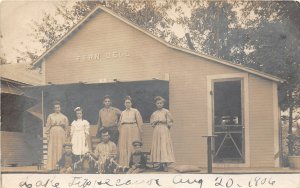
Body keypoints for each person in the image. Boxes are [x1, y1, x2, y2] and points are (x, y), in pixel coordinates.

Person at [150, 96, 175, 171]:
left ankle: (165, 165)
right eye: (158, 103)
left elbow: (170, 121)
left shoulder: (166, 111)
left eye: (161, 103)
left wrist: (166, 125)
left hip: (164, 129)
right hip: (157, 130)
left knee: (164, 145)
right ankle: (160, 164)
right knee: (158, 145)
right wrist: (155, 122)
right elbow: (152, 123)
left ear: (163, 104)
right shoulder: (154, 113)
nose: (159, 104)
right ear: (155, 104)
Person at [118, 96, 143, 167]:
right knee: (124, 145)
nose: (127, 104)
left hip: (133, 129)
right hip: (124, 129)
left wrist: (140, 132)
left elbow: (140, 122)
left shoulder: (135, 111)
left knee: (132, 145)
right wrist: (121, 131)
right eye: (126, 103)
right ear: (124, 104)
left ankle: (133, 164)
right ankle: (124, 164)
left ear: (131, 103)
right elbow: (120, 124)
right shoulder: (122, 113)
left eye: (129, 102)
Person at [45, 101, 69, 171]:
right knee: (53, 148)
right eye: (56, 108)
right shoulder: (50, 116)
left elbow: (67, 128)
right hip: (53, 134)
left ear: (60, 108)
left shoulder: (64, 117)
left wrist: (66, 136)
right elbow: (47, 127)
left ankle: (61, 166)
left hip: (61, 134)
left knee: (60, 148)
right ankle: (52, 166)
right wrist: (47, 136)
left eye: (58, 107)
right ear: (54, 109)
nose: (57, 109)